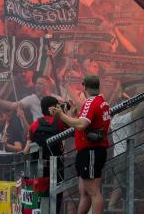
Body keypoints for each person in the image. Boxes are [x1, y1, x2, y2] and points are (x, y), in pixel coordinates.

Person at [49, 75, 110, 214]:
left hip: (90, 151)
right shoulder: (102, 102)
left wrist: (62, 116)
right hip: (94, 150)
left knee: (94, 192)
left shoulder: (91, 102)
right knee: (87, 192)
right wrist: (73, 116)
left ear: (84, 87)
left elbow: (82, 125)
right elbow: (87, 124)